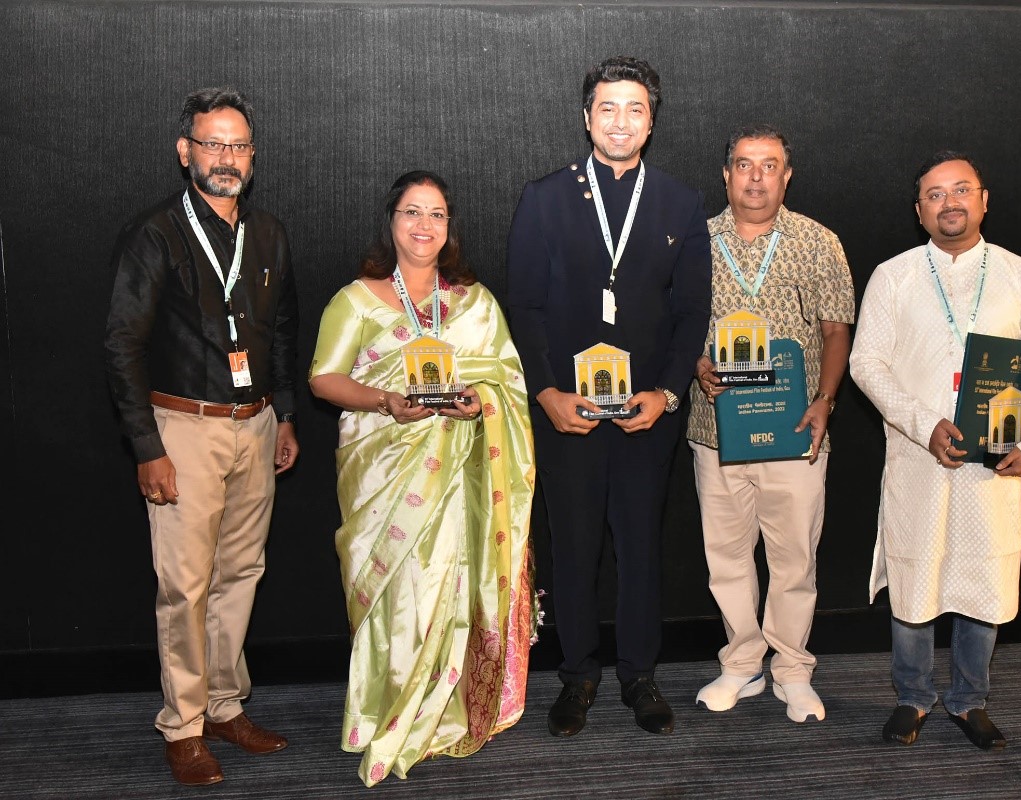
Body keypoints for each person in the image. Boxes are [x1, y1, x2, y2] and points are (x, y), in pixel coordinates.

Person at [506, 55, 712, 737]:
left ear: (651, 122)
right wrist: (545, 393)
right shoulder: (544, 198)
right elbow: (525, 305)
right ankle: (576, 675)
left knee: (640, 546)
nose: (620, 121)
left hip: (645, 414)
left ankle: (639, 675)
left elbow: (692, 312)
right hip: (568, 411)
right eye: (607, 108)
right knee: (572, 546)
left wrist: (668, 394)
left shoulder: (680, 203)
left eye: (635, 109)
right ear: (586, 116)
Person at [309, 170, 535, 786]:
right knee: (398, 592)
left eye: (436, 214)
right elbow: (323, 379)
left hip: (459, 470)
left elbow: (505, 379)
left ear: (449, 227)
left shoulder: (474, 302)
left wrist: (478, 401)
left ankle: (445, 712)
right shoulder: (356, 299)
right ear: (392, 221)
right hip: (385, 469)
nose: (423, 225)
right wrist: (386, 401)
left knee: (447, 584)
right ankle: (386, 709)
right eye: (412, 211)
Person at [849, 150, 1021, 750]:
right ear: (919, 210)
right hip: (919, 457)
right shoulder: (893, 275)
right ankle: (912, 696)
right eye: (935, 194)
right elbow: (865, 363)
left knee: (984, 578)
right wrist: (923, 424)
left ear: (983, 200)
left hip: (993, 465)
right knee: (915, 576)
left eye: (961, 190)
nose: (949, 202)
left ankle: (970, 699)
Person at [104, 87, 298, 787]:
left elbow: (282, 330)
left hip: (257, 425)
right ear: (185, 151)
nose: (226, 158)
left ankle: (223, 706)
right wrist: (147, 447)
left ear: (253, 155)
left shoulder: (268, 232)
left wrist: (286, 415)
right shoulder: (155, 233)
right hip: (183, 430)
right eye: (213, 144)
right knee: (185, 586)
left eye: (238, 146)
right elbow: (121, 345)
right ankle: (183, 727)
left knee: (240, 573)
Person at [688, 125, 855, 721]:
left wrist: (825, 400)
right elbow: (675, 326)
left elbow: (836, 329)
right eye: (743, 164)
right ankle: (741, 665)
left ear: (787, 175)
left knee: (794, 560)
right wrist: (696, 364)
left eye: (769, 165)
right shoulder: (694, 241)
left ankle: (792, 670)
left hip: (796, 431)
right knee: (726, 557)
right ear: (725, 174)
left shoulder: (819, 242)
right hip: (715, 431)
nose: (755, 177)